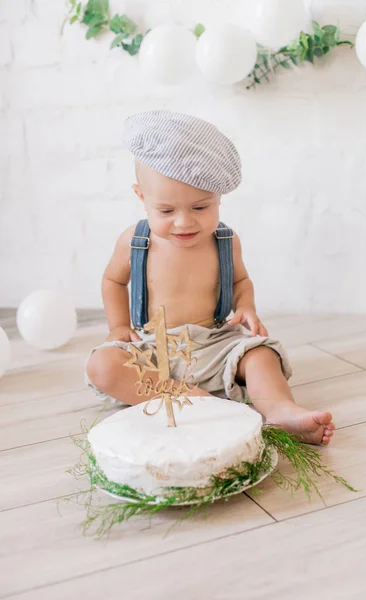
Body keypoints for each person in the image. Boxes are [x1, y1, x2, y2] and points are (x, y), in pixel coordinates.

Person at [86, 110, 335, 445]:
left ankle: (280, 410)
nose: (184, 222)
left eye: (201, 208)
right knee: (103, 365)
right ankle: (188, 399)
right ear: (141, 197)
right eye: (166, 211)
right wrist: (118, 326)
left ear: (219, 198)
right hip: (152, 348)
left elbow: (240, 281)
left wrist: (245, 306)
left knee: (261, 355)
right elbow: (113, 281)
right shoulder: (135, 241)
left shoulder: (225, 241)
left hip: (215, 344)